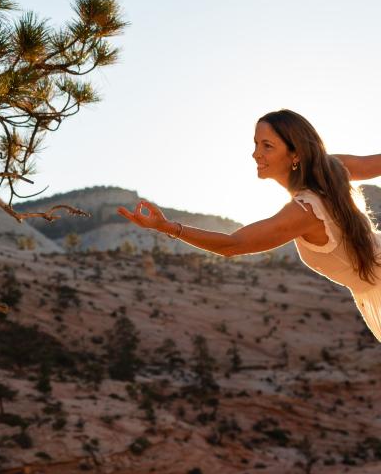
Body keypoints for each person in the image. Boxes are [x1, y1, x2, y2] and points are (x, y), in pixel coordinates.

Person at [117, 109, 381, 340]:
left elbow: (233, 245)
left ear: (295, 154)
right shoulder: (330, 170)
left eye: (267, 146)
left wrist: (168, 227)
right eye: (256, 144)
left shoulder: (305, 211)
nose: (255, 154)